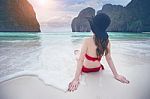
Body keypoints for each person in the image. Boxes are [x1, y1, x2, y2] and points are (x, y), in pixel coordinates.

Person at [68, 13, 129, 92]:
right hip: (97, 68)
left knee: (78, 57)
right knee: (83, 56)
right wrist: (116, 75)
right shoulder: (107, 42)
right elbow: (109, 59)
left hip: (86, 69)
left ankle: (77, 52)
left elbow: (81, 60)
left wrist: (76, 79)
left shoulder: (87, 41)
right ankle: (78, 52)